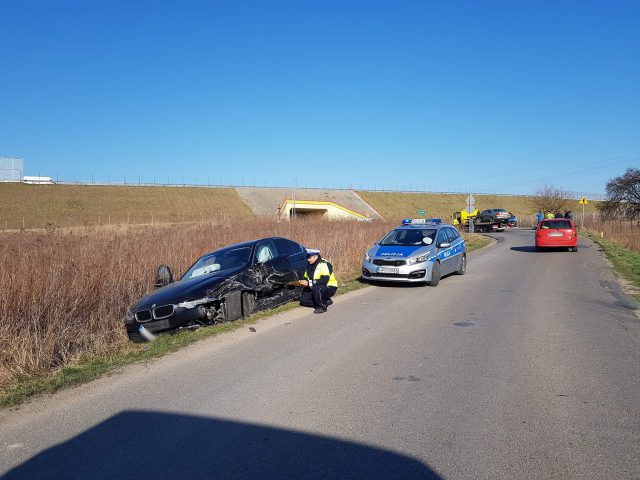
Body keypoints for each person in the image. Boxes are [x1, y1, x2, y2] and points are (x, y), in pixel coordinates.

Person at [299, 248, 338, 314]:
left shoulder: (324, 264)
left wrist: (309, 283)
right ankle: (326, 301)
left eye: (309, 257)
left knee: (318, 288)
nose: (308, 260)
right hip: (315, 287)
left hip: (329, 287)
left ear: (315, 256)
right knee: (303, 300)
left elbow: (324, 280)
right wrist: (301, 282)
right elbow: (306, 278)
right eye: (307, 257)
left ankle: (322, 307)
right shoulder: (309, 266)